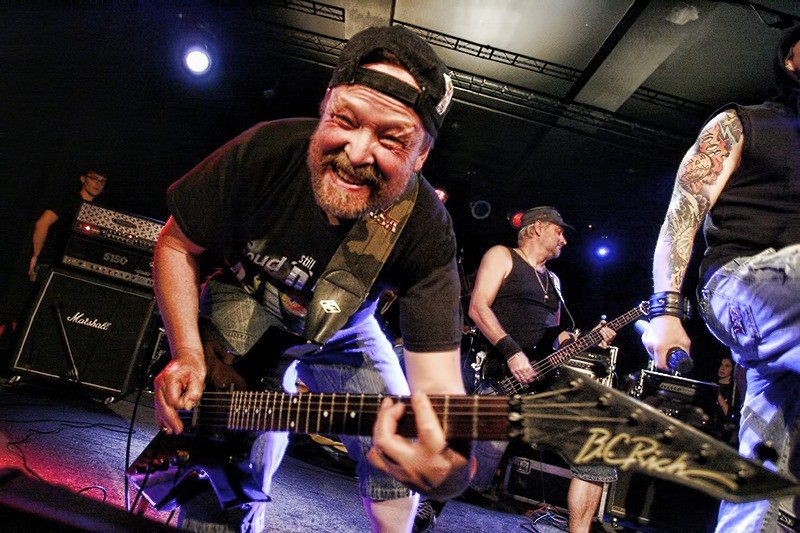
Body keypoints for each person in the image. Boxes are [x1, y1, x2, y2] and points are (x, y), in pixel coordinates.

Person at [151, 25, 474, 533]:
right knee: (217, 478)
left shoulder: (425, 230)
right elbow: (175, 244)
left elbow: (440, 397)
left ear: (421, 156)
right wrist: (188, 351)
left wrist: (449, 467)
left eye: (392, 138)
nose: (358, 153)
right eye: (345, 119)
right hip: (247, 299)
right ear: (324, 106)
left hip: (346, 330)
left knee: (401, 443)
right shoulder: (266, 150)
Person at [642, 25, 800, 532]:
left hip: (788, 334)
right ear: (790, 59)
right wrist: (666, 308)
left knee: (767, 476)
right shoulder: (742, 124)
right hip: (738, 283)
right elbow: (681, 214)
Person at [414, 206, 617, 533]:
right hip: (498, 377)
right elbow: (478, 307)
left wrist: (588, 339)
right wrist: (511, 352)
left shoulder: (553, 281)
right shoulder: (502, 256)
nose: (564, 240)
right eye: (559, 232)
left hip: (538, 386)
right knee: (472, 468)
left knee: (595, 449)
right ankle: (428, 504)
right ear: (538, 228)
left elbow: (557, 336)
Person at [0, 169, 107, 356]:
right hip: (49, 260)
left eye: (102, 181)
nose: (98, 183)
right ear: (83, 179)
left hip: (69, 267)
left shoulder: (98, 211)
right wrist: (36, 255)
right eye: (94, 178)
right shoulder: (69, 201)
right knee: (21, 306)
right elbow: (42, 223)